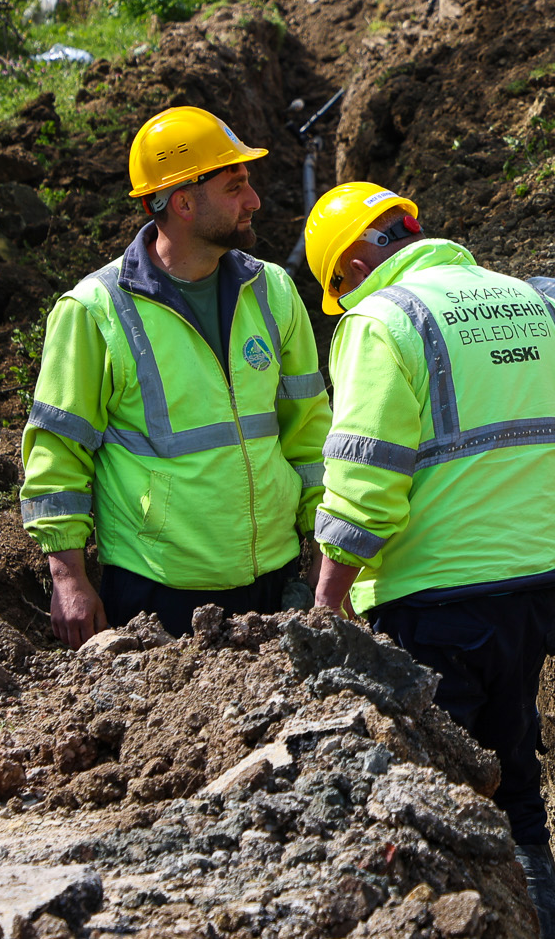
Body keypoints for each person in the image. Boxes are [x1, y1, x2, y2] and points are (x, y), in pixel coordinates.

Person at [303, 181, 555, 939]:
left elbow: (366, 474)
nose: (345, 296)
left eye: (339, 283)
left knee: (432, 798)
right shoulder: (534, 303)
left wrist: (326, 603)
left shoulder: (381, 320)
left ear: (358, 259)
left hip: (431, 600)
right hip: (533, 586)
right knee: (517, 786)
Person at [20, 106, 331, 645]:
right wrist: (68, 576)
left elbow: (309, 433)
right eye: (235, 186)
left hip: (275, 580)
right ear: (183, 202)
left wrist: (321, 551)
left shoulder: (272, 290)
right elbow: (58, 453)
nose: (254, 201)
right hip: (159, 593)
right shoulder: (95, 310)